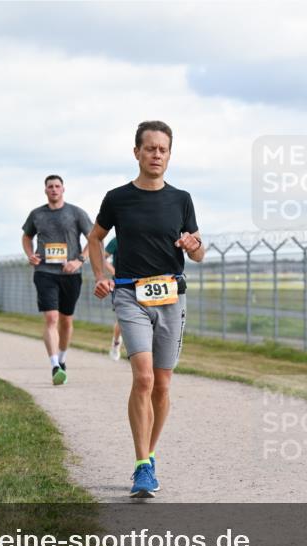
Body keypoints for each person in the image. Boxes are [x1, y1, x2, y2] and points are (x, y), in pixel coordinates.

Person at [88, 120, 205, 498]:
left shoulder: (181, 199)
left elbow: (200, 252)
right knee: (143, 378)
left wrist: (192, 245)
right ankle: (141, 466)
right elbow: (95, 239)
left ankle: (150, 454)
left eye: (163, 149)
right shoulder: (118, 198)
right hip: (130, 295)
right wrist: (99, 276)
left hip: (171, 296)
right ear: (136, 152)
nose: (156, 155)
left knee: (163, 383)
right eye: (150, 148)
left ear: (169, 155)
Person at [22, 174, 93, 385]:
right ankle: (54, 366)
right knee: (51, 317)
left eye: (57, 186)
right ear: (45, 190)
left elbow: (94, 238)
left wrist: (79, 260)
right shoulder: (36, 214)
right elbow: (27, 236)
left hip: (70, 273)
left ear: (63, 189)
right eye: (50, 187)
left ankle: (62, 360)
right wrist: (30, 254)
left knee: (66, 320)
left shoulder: (75, 213)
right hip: (45, 272)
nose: (53, 189)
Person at [104, 235, 123, 360]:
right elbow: (103, 258)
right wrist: (115, 272)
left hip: (143, 283)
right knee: (122, 317)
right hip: (121, 283)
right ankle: (116, 343)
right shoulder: (117, 240)